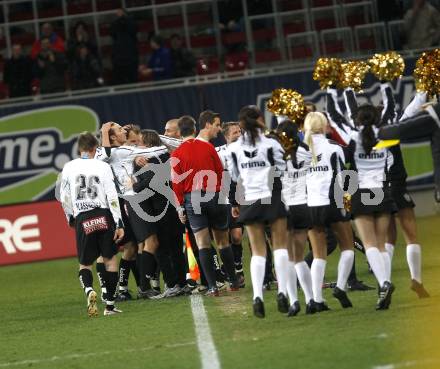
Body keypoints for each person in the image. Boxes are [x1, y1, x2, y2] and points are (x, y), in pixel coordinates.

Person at [326, 88, 396, 310]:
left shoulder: (354, 137)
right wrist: (385, 84)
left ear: (357, 119)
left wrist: (331, 88)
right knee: (382, 244)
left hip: (362, 193)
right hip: (383, 191)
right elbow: (392, 108)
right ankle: (383, 288)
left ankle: (384, 283)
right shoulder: (386, 134)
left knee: (369, 244)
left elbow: (335, 116)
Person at [227, 106, 289, 318]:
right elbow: (282, 169)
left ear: (241, 124)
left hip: (250, 198)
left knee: (258, 250)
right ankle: (282, 292)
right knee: (280, 246)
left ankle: (257, 297)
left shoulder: (233, 149)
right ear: (261, 120)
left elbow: (234, 176)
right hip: (272, 195)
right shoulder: (272, 143)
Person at [171, 112, 239, 296]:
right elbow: (220, 171)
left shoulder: (176, 153)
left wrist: (179, 207)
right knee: (223, 242)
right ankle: (233, 282)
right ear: (194, 129)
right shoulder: (208, 147)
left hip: (193, 199)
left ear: (179, 133)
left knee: (203, 244)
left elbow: (176, 183)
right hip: (214, 196)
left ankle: (212, 287)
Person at [58, 132, 124, 317]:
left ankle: (88, 289)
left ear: (80, 149)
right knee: (110, 260)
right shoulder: (103, 166)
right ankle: (110, 305)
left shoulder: (69, 167)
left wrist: (70, 217)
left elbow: (64, 197)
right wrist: (119, 222)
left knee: (85, 264)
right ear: (95, 148)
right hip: (103, 216)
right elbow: (112, 196)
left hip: (83, 217)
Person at [375, 83, 430, 298]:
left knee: (387, 240)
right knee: (411, 236)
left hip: (378, 190)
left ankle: (385, 284)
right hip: (397, 186)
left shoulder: (365, 137)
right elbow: (413, 109)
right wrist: (426, 85)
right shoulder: (393, 129)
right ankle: (416, 279)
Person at [303, 112, 355, 312]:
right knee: (348, 248)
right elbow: (346, 170)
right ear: (325, 126)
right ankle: (340, 287)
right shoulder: (334, 148)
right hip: (333, 202)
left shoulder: (300, 150)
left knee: (318, 255)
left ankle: (317, 299)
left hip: (311, 205)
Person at [132, 129, 188, 298]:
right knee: (177, 249)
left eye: (140, 142)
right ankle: (182, 283)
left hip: (160, 209)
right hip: (174, 206)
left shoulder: (146, 160)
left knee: (162, 250)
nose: (138, 145)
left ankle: (171, 285)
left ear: (147, 143)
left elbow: (150, 183)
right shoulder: (168, 157)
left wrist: (134, 186)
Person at [277, 120, 315, 316]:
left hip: (285, 207)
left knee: (289, 258)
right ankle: (310, 300)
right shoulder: (306, 150)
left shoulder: (277, 153)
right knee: (299, 258)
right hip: (303, 205)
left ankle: (294, 301)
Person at [216, 122, 245, 286]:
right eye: (235, 132)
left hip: (243, 198)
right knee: (225, 238)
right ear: (226, 135)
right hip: (224, 199)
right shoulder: (217, 152)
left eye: (240, 131)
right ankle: (231, 270)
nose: (239, 134)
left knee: (237, 236)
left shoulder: (247, 150)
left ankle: (236, 268)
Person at [110, 8, 138, 85]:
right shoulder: (115, 24)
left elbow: (134, 29)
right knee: (119, 82)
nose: (120, 15)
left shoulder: (131, 23)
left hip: (130, 58)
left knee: (133, 82)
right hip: (119, 59)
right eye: (118, 14)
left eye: (121, 13)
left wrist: (125, 18)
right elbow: (112, 33)